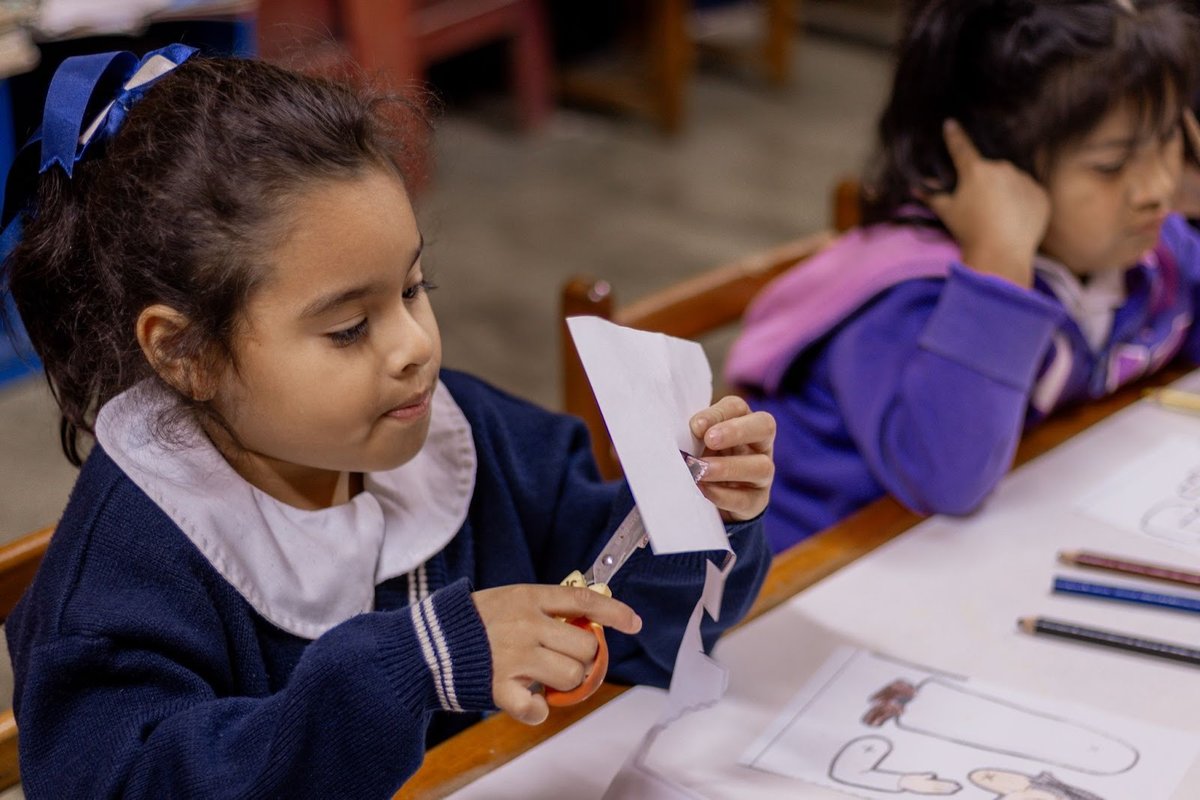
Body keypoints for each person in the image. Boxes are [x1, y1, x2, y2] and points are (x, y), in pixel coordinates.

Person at [0, 47, 774, 798]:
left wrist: (693, 518)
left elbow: (645, 637)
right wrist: (417, 663)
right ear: (186, 353)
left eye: (412, 287)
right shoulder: (120, 584)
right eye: (346, 329)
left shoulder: (467, 434)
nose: (414, 347)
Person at [725, 0, 1200, 552]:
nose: (1155, 189)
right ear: (996, 168)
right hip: (802, 577)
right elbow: (949, 480)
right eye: (1112, 165)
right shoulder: (913, 298)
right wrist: (999, 257)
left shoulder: (1140, 251)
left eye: (1168, 139)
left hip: (967, 555)